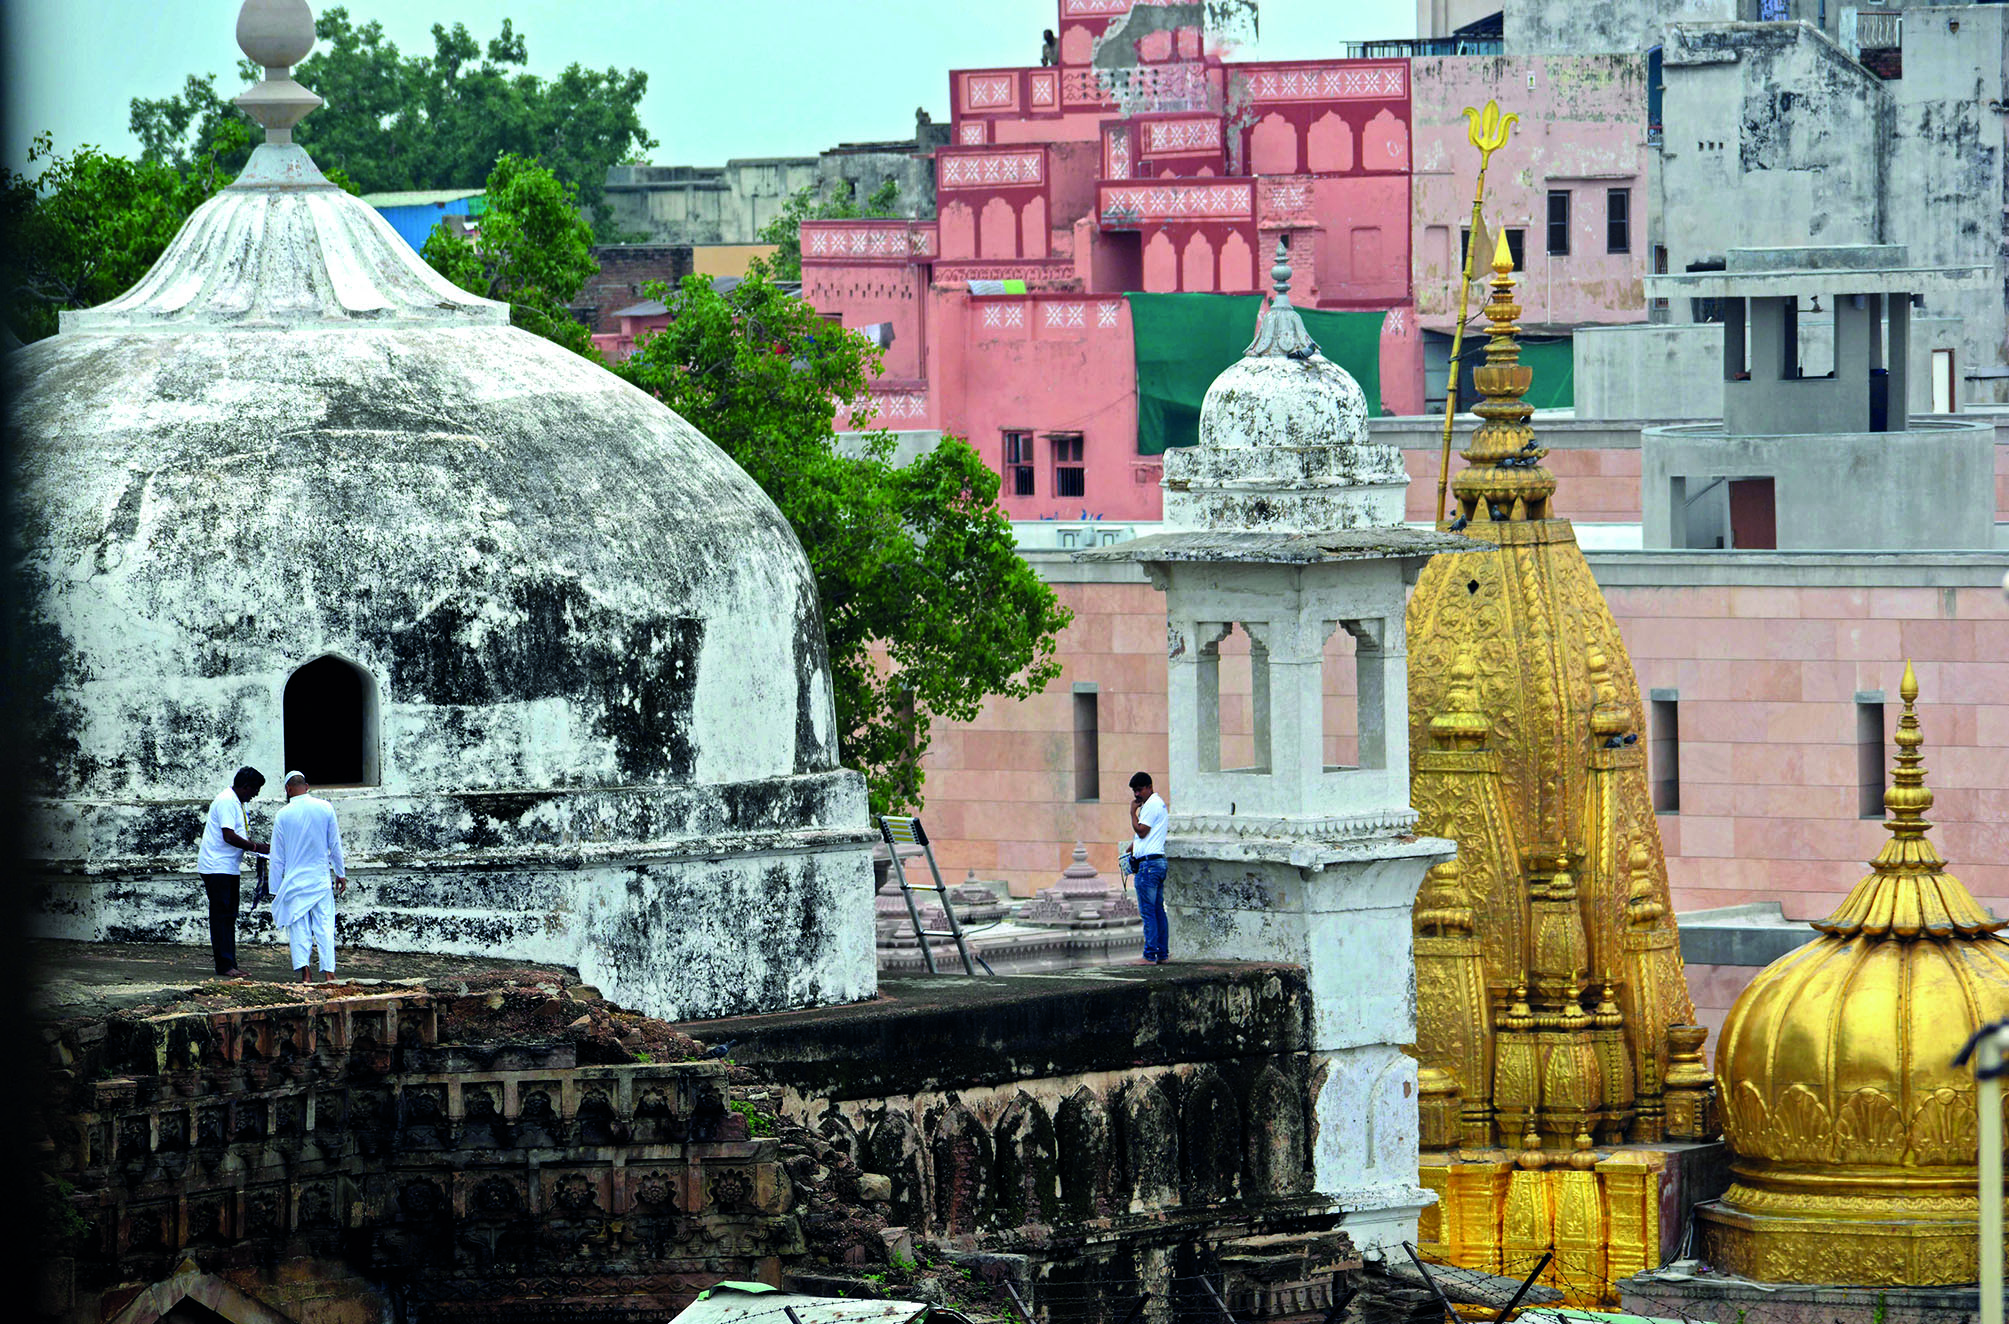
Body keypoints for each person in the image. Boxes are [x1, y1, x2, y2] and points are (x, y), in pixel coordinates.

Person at [267, 771, 348, 983]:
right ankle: (329, 973)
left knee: (299, 929)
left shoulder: (283, 814)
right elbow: (335, 845)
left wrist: (275, 890)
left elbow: (277, 856)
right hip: (320, 879)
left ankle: (306, 974)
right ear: (307, 786)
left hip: (294, 882)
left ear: (288, 789)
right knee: (324, 926)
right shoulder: (325, 808)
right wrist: (340, 873)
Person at [195, 766, 268, 978]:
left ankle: (230, 963)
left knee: (229, 916)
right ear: (245, 787)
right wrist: (255, 847)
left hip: (227, 867)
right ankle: (225, 965)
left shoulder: (235, 801)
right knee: (222, 916)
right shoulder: (227, 801)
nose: (255, 795)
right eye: (255, 790)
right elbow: (228, 835)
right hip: (217, 867)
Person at [1128, 770, 1170, 964]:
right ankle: (1162, 954)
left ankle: (1149, 954)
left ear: (1149, 787)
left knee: (1148, 912)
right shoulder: (1156, 804)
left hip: (1149, 866)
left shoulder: (1151, 805)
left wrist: (1132, 813)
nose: (1137, 795)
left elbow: (1142, 831)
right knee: (1158, 911)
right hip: (1157, 862)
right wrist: (1134, 846)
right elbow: (1145, 836)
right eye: (1135, 791)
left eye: (1139, 790)